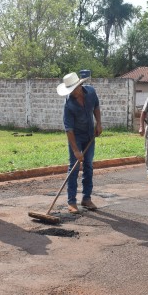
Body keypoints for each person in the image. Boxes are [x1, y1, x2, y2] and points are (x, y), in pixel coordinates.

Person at [57, 72, 102, 214]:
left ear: (79, 86)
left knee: (88, 166)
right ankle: (71, 201)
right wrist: (76, 150)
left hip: (89, 134)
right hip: (75, 136)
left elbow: (96, 107)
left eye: (73, 90)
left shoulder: (91, 92)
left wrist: (99, 123)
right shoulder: (68, 105)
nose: (71, 93)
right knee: (74, 168)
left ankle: (86, 198)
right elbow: (69, 130)